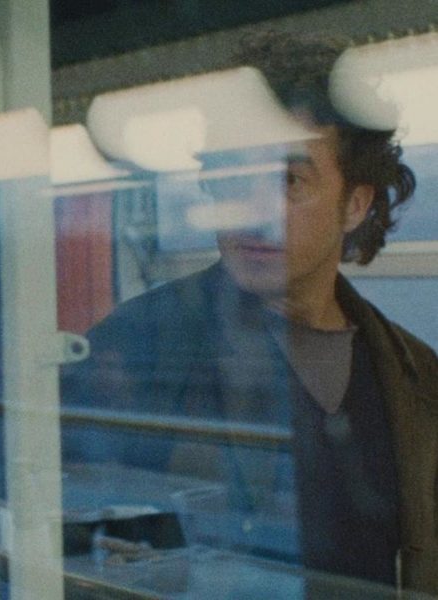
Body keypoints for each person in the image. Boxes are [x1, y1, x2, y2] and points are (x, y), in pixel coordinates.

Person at [61, 31, 438, 595]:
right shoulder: (137, 346)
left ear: (356, 204)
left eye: (288, 180)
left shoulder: (416, 376)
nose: (255, 210)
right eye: (234, 177)